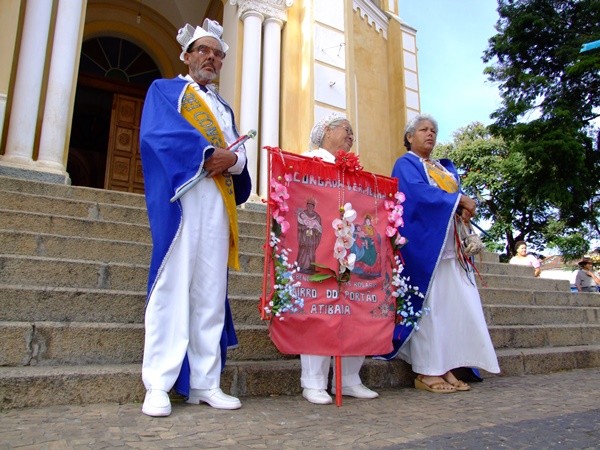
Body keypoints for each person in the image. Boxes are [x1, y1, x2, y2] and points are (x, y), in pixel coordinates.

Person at [139, 19, 251, 417]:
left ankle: (206, 382)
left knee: (209, 294)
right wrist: (207, 154)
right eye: (203, 50)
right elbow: (158, 135)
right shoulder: (166, 90)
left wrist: (234, 159)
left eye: (218, 54)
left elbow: (240, 153)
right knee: (173, 289)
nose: (211, 58)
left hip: (218, 205)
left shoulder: (223, 108)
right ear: (187, 55)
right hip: (183, 201)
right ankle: (159, 383)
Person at [379, 114, 500, 393]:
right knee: (429, 308)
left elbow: (450, 196)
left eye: (433, 130)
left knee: (448, 306)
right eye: (423, 129)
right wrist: (459, 200)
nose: (430, 134)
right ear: (410, 136)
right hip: (425, 247)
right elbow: (418, 195)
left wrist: (463, 206)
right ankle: (426, 370)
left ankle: (444, 365)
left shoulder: (441, 168)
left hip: (449, 246)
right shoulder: (406, 163)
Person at [299, 113, 379, 404]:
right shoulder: (309, 160)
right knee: (318, 309)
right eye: (346, 129)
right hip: (319, 248)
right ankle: (314, 381)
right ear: (326, 132)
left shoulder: (355, 170)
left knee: (355, 309)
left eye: (352, 132)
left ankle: (349, 378)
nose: (351, 135)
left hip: (352, 247)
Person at [296, 198, 323, 273]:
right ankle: (300, 266)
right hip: (304, 236)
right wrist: (304, 227)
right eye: (308, 205)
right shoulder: (302, 214)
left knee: (311, 251)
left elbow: (319, 229)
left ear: (313, 207)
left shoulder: (317, 217)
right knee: (303, 250)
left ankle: (309, 267)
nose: (309, 207)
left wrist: (314, 230)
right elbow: (299, 226)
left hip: (312, 238)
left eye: (311, 205)